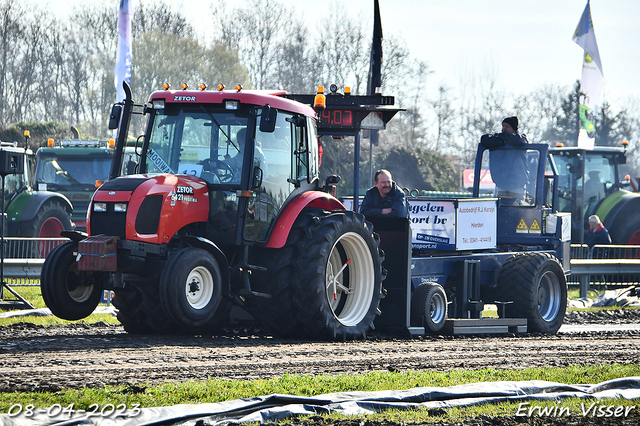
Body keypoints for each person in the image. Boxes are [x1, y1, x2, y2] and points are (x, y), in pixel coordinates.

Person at [480, 116, 530, 205]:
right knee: (496, 209)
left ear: (514, 130)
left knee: (518, 209)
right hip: (500, 186)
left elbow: (519, 141)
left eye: (507, 126)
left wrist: (502, 138)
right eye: (503, 126)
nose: (504, 129)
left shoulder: (520, 140)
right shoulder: (498, 140)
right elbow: (484, 140)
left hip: (517, 187)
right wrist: (503, 139)